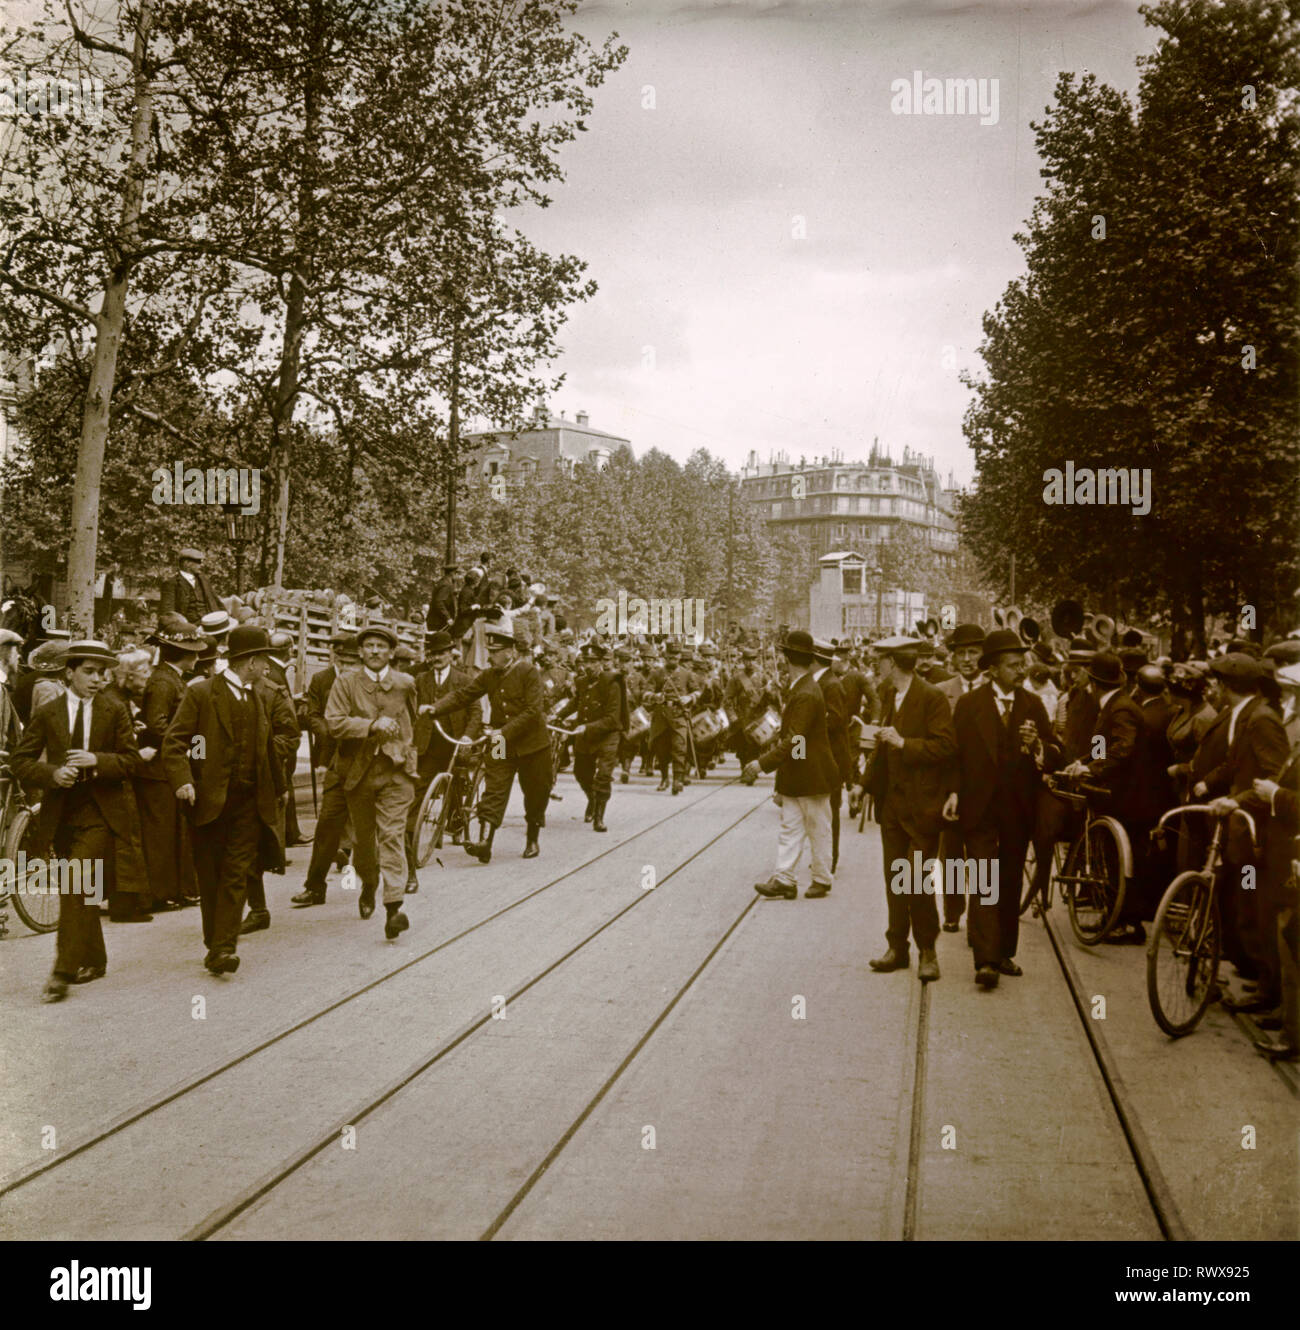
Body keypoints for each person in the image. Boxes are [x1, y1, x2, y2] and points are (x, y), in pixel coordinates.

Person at [12, 641, 143, 1001]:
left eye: (103, 672)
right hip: (61, 815)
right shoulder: (49, 712)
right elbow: (21, 763)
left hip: (101, 813)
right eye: (89, 671)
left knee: (76, 883)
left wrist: (96, 760)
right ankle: (95, 959)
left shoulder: (114, 710)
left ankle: (62, 972)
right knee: (83, 888)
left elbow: (131, 761)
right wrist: (53, 775)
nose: (97, 679)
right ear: (69, 672)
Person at [163, 626, 291, 974]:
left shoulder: (257, 698)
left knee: (236, 873)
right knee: (211, 876)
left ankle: (223, 947)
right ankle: (215, 941)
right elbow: (181, 742)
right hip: (209, 801)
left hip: (249, 802)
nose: (267, 666)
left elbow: (265, 749)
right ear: (250, 661)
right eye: (264, 659)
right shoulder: (202, 694)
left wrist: (279, 788)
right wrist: (188, 778)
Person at [945, 630, 1061, 988]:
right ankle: (986, 959)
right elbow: (955, 754)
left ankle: (1004, 952)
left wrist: (1038, 746)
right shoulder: (969, 705)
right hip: (978, 808)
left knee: (1009, 880)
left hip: (1017, 809)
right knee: (983, 879)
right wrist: (952, 792)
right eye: (1013, 665)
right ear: (993, 669)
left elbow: (1058, 751)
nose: (1020, 670)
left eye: (1021, 664)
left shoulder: (1032, 704)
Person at [864, 636, 957, 982]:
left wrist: (903, 743)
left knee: (916, 880)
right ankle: (897, 948)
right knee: (894, 878)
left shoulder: (931, 697)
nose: (876, 666)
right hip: (891, 804)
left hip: (922, 805)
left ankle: (927, 951)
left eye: (880, 660)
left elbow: (946, 747)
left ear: (892, 663)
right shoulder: (889, 695)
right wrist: (866, 784)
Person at [425, 618, 551, 863]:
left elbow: (533, 711)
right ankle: (485, 842)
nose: (490, 658)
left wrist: (502, 732)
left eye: (495, 653)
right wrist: (435, 709)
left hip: (533, 745)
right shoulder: (490, 675)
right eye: (489, 652)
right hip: (501, 742)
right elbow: (464, 695)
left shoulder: (528, 672)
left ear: (510, 652)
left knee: (536, 792)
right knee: (495, 786)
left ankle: (532, 838)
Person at [325, 625, 419, 937]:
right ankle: (369, 883)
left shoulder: (405, 684)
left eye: (382, 646)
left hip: (395, 771)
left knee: (392, 836)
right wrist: (370, 725)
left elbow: (414, 723)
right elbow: (334, 723)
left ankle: (394, 908)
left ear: (392, 653)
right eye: (369, 646)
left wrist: (408, 755)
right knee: (364, 844)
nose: (375, 651)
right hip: (358, 773)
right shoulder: (346, 682)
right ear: (361, 652)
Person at [1058, 650, 1149, 944]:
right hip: (1113, 794)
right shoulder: (1109, 706)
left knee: (1122, 860)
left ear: (1094, 683)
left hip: (1126, 797)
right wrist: (1083, 764)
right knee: (1113, 859)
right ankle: (1116, 917)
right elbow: (1101, 749)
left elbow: (1122, 749)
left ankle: (1128, 923)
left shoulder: (1120, 709)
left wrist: (1091, 768)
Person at [745, 630, 839, 900]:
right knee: (793, 826)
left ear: (787, 658)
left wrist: (762, 764)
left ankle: (820, 878)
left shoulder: (805, 692)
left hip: (812, 773)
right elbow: (797, 741)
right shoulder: (804, 688)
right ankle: (786, 878)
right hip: (805, 772)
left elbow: (796, 739)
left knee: (816, 827)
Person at [136, 621, 205, 913]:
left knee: (173, 830)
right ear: (182, 654)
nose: (198, 658)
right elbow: (157, 724)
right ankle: (160, 892)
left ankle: (175, 889)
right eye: (193, 652)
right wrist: (183, 744)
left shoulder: (170, 678)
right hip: (158, 770)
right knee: (161, 832)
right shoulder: (165, 682)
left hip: (168, 766)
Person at [406, 629, 482, 888]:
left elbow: (475, 711)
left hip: (454, 742)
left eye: (441, 653)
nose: (437, 657)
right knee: (418, 788)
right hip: (427, 744)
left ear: (451, 654)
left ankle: (457, 822)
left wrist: (468, 738)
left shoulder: (464, 679)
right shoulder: (420, 679)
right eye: (433, 653)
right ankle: (410, 836)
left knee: (457, 783)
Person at [292, 633, 359, 907]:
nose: (345, 666)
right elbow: (312, 714)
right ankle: (315, 886)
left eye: (351, 661)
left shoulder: (372, 685)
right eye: (341, 660)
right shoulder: (322, 680)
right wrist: (326, 733)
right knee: (327, 824)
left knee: (378, 829)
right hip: (334, 760)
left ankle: (389, 888)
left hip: (367, 763)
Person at [936, 623, 984, 931]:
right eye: (961, 653)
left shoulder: (995, 689)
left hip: (983, 785)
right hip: (949, 784)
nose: (967, 659)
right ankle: (953, 911)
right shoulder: (942, 692)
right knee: (951, 851)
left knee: (982, 854)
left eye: (974, 653)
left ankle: (982, 916)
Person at [560, 641, 627, 833]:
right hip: (586, 734)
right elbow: (576, 702)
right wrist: (557, 715)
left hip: (608, 734)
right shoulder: (582, 682)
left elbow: (613, 719)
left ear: (601, 662)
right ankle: (592, 798)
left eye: (592, 662)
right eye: (585, 662)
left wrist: (586, 727)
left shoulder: (612, 683)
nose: (587, 666)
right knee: (581, 773)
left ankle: (599, 816)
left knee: (603, 776)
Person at [158, 548, 223, 624]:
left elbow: (216, 601)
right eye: (198, 562)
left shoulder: (203, 580)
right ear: (187, 563)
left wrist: (226, 616)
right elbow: (167, 612)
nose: (201, 565)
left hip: (210, 620)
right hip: (189, 625)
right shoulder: (171, 583)